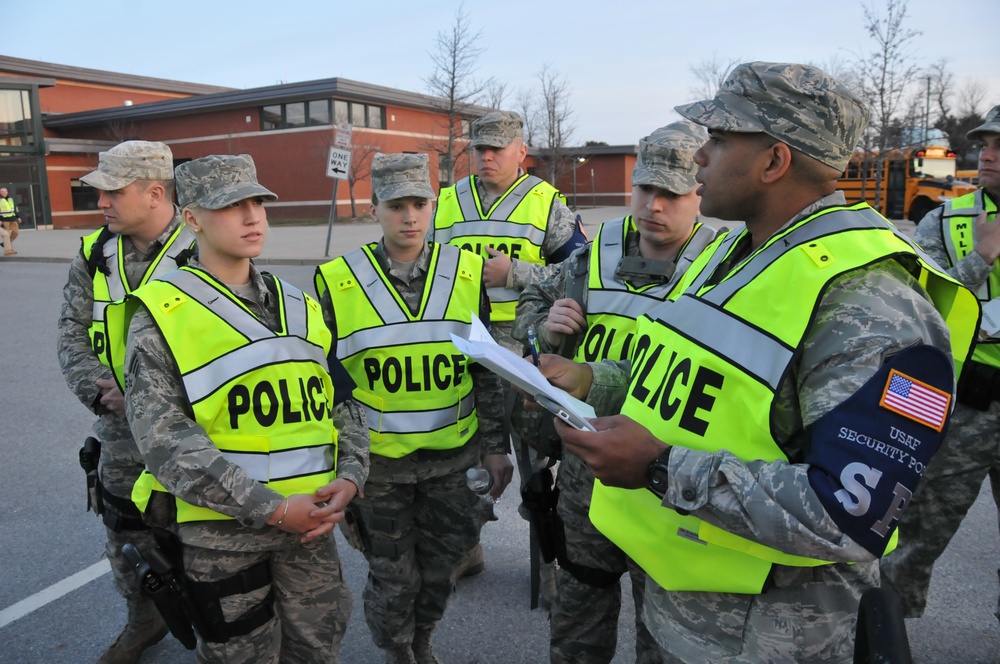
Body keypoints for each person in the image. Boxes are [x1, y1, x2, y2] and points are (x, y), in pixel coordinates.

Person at [534, 62, 979, 663]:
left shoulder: (869, 299)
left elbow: (852, 510)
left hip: (762, 639)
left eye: (718, 141)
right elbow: (700, 385)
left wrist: (660, 467)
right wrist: (595, 381)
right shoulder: (740, 257)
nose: (699, 159)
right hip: (683, 610)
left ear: (774, 162)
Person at [119, 154, 367, 662]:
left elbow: (342, 403)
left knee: (317, 650)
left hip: (311, 527)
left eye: (258, 202)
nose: (253, 216)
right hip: (224, 540)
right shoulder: (161, 313)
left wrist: (352, 476)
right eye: (231, 206)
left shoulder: (298, 304)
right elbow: (165, 443)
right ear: (191, 218)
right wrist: (274, 510)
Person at [512, 120, 716, 664]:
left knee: (665, 633)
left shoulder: (723, 271)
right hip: (586, 478)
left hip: (665, 477)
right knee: (578, 621)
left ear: (699, 193)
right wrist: (545, 327)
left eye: (672, 193)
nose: (654, 205)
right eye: (646, 189)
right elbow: (529, 312)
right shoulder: (591, 254)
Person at [314, 153, 510, 664]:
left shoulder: (467, 273)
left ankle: (424, 637)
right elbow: (328, 381)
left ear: (434, 204)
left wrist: (496, 448)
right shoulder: (336, 280)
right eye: (396, 204)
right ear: (374, 207)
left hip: (453, 461)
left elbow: (484, 371)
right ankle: (398, 649)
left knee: (441, 568)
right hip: (379, 467)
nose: (410, 216)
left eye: (420, 203)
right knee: (393, 576)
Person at [432, 109, 587, 595]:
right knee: (464, 459)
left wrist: (515, 274)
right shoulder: (446, 202)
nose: (487, 156)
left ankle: (547, 559)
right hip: (464, 353)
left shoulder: (547, 205)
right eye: (480, 147)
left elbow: (580, 277)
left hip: (526, 355)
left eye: (499, 147)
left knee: (538, 464)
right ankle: (465, 549)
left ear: (523, 151)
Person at [56, 140, 196, 664]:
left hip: (192, 431)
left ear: (154, 191)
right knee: (126, 538)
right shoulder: (95, 252)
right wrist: (97, 388)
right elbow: (71, 331)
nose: (102, 203)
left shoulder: (204, 247)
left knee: (201, 540)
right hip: (119, 431)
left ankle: (221, 638)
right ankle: (145, 620)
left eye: (113, 191)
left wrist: (150, 396)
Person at [880, 104, 1000, 623]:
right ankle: (885, 642)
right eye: (987, 143)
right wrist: (980, 260)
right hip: (965, 409)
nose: (987, 154)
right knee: (914, 540)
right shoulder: (946, 219)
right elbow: (916, 309)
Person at [0, 186, 19, 255]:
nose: (4, 192)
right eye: (2, 191)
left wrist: (18, 217)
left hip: (13, 219)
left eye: (5, 191)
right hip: (4, 219)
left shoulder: (10, 199)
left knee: (16, 233)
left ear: (7, 192)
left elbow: (14, 208)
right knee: (6, 235)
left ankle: (4, 244)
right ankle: (9, 250)